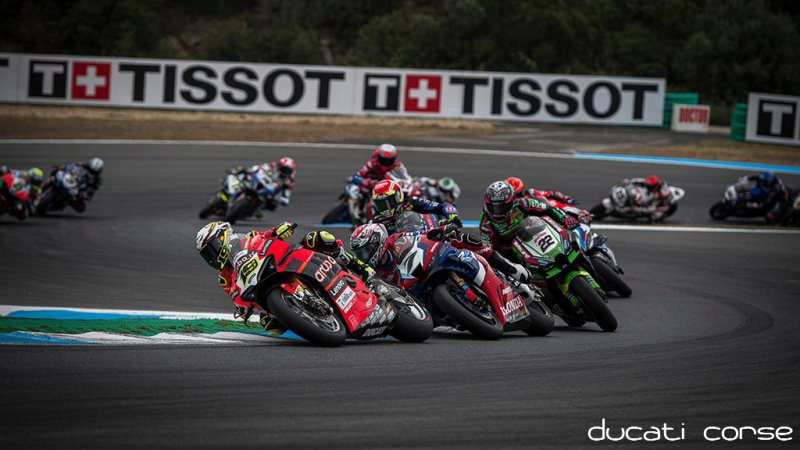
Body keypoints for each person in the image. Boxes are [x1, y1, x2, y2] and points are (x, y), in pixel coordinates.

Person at [349, 222, 530, 303]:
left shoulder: (395, 239)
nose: (364, 256)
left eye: (366, 250)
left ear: (377, 242)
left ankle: (509, 268)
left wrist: (442, 230)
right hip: (415, 290)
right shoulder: (373, 272)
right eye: (360, 254)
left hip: (426, 264)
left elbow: (421, 235)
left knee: (465, 239)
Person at [196, 220, 297, 334]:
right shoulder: (224, 278)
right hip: (260, 287)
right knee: (268, 323)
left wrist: (279, 229)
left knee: (311, 238)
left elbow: (267, 234)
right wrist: (241, 308)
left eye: (212, 249)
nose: (211, 257)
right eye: (207, 254)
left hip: (280, 264)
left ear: (222, 237)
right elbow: (234, 296)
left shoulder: (249, 237)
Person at [479, 180, 582, 257]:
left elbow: (547, 209)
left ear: (512, 202)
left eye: (502, 207)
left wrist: (565, 218)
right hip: (514, 254)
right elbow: (489, 252)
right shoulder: (486, 226)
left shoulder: (523, 203)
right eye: (494, 207)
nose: (498, 212)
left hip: (536, 238)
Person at [370, 179, 460, 233]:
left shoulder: (411, 202)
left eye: (389, 202)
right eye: (381, 204)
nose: (386, 208)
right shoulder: (376, 220)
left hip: (426, 238)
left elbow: (442, 206)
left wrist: (453, 217)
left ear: (398, 196)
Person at [300, 230, 375, 282]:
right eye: (329, 248)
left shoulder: (337, 253)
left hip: (344, 285)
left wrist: (366, 270)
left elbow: (356, 263)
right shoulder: (302, 259)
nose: (333, 250)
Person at [228, 157, 297, 211]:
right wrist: (251, 170)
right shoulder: (272, 166)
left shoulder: (289, 182)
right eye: (281, 167)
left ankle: (256, 210)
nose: (282, 170)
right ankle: (233, 190)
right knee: (241, 174)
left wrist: (281, 199)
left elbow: (286, 198)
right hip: (260, 182)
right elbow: (258, 167)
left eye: (286, 169)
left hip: (268, 193)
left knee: (272, 206)